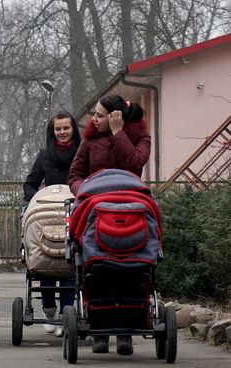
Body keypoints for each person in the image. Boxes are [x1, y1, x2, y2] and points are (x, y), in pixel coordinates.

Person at [67, 95, 151, 356]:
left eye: (100, 115)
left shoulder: (140, 138)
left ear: (116, 117)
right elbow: (75, 174)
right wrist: (86, 192)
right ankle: (98, 328)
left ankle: (126, 331)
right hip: (95, 211)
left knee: (131, 268)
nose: (94, 119)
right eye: (95, 113)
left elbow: (134, 164)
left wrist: (118, 134)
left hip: (130, 210)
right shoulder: (90, 141)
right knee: (96, 266)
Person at [23, 111, 80, 337]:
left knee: (69, 263)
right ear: (52, 131)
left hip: (75, 214)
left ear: (73, 129)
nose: (62, 132)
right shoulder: (45, 155)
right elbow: (30, 184)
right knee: (47, 261)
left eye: (66, 128)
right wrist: (36, 200)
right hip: (48, 216)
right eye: (58, 129)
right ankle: (49, 310)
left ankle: (67, 313)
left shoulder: (83, 154)